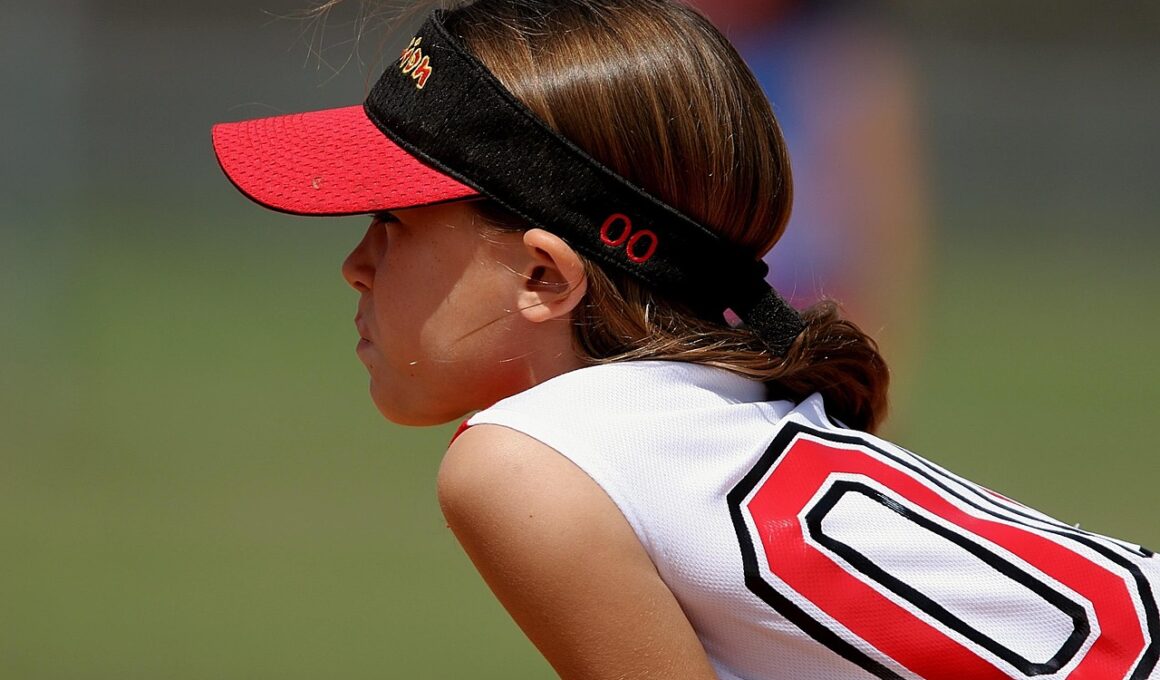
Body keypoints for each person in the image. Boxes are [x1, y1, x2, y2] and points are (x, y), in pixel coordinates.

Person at [211, 1, 1159, 678]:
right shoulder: (722, 400)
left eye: (392, 222)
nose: (355, 266)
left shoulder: (517, 463)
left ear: (544, 276)